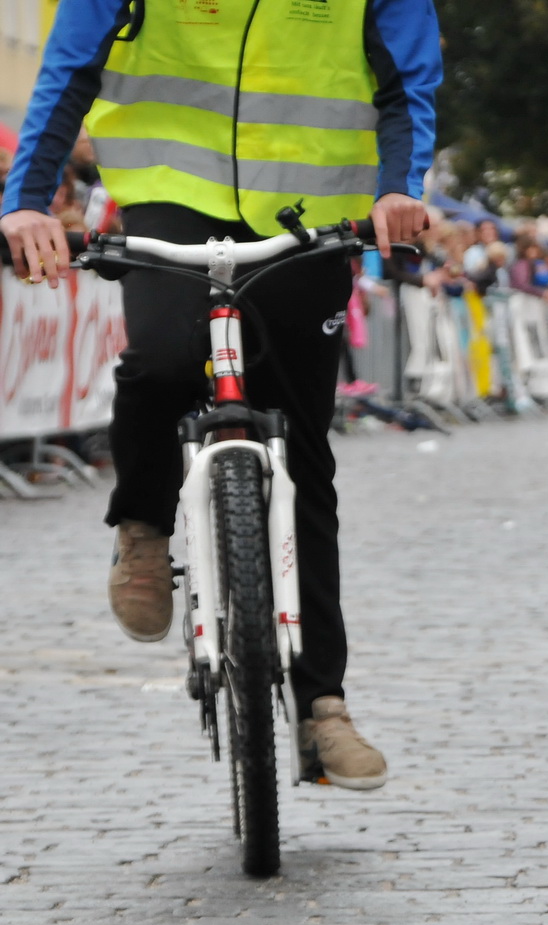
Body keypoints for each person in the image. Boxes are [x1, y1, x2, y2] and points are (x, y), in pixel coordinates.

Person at [2, 0, 440, 789]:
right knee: (162, 361)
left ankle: (323, 707)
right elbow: (68, 70)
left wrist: (398, 189)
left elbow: (408, 82)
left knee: (302, 451)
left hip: (308, 216)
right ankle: (142, 525)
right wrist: (28, 199)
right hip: (171, 197)